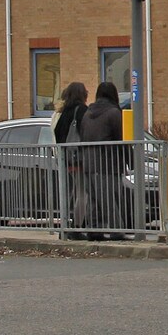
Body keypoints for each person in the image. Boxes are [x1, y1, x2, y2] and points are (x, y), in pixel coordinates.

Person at [81, 81, 126, 239]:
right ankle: (116, 231)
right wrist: (128, 161)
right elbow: (121, 139)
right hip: (108, 163)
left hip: (88, 163)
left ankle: (94, 230)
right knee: (110, 198)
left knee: (94, 198)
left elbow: (83, 136)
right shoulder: (114, 113)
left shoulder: (87, 113)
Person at [53, 82, 90, 237]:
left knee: (72, 192)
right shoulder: (80, 111)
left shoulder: (62, 112)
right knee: (83, 192)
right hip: (78, 158)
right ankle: (75, 226)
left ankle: (65, 225)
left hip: (65, 158)